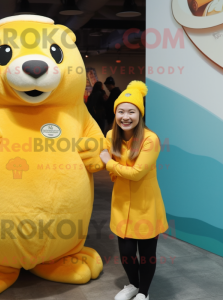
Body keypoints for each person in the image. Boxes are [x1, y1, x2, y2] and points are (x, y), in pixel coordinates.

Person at [99, 80, 169, 300]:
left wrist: (110, 164)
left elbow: (137, 173)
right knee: (127, 253)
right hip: (121, 204)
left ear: (140, 114)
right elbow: (114, 174)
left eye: (131, 111)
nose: (125, 116)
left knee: (147, 254)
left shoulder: (150, 139)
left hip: (146, 205)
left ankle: (144, 293)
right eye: (121, 111)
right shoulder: (111, 137)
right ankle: (133, 285)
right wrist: (114, 168)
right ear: (115, 113)